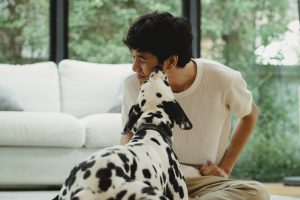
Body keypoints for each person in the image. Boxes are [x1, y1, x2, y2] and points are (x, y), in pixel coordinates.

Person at [120, 11, 270, 200]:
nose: (134, 67)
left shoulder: (223, 79)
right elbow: (128, 134)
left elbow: (250, 114)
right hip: (153, 178)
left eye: (142, 59)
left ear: (171, 61)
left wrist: (225, 168)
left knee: (255, 192)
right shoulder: (133, 84)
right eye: (133, 57)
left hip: (201, 181)